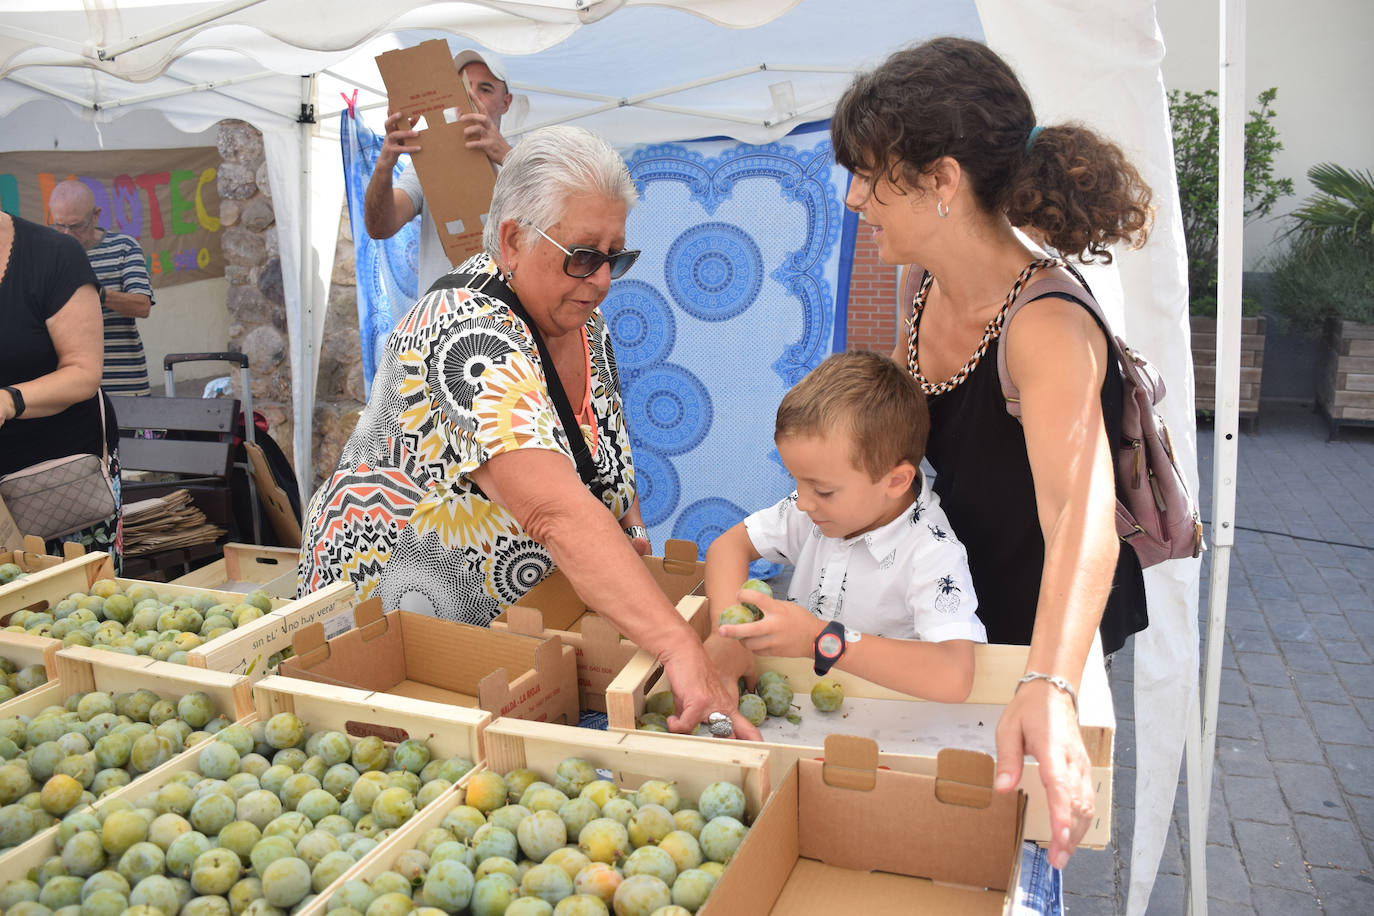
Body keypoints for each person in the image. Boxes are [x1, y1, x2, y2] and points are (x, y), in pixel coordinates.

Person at [301, 125, 760, 741]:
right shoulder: (464, 331)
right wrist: (678, 645)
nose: (600, 280)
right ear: (514, 240)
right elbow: (554, 511)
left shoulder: (581, 324)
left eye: (615, 257)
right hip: (391, 620)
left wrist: (638, 548)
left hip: (498, 625)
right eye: (582, 255)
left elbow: (605, 462)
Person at [830, 37, 1153, 878]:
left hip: (1033, 628)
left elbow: (1081, 519)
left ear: (941, 179)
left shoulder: (1046, 323)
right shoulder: (924, 284)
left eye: (870, 173)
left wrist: (1049, 683)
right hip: (963, 616)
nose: (855, 196)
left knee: (1015, 850)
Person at [704, 351, 984, 703]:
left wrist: (818, 639)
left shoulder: (932, 552)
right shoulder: (813, 510)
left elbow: (954, 676)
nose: (803, 502)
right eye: (797, 482)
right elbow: (727, 548)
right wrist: (726, 635)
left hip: (887, 734)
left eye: (822, 490)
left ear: (896, 481)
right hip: (804, 715)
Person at [0, 209, 121, 563]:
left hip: (57, 486)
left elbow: (82, 372)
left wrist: (8, 401)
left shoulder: (52, 254)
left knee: (76, 612)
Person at [364, 48, 514, 290]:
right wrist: (385, 162)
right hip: (440, 320)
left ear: (506, 103)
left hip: (502, 321)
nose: (470, 98)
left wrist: (506, 155)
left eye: (484, 90)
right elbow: (380, 227)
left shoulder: (522, 160)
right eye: (462, 89)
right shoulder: (426, 161)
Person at [47, 180, 156, 397]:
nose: (67, 234)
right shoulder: (45, 255)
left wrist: (95, 293)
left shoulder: (124, 246)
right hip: (70, 388)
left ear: (96, 216)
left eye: (76, 225)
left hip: (126, 385)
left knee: (145, 433)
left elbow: (142, 306)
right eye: (59, 225)